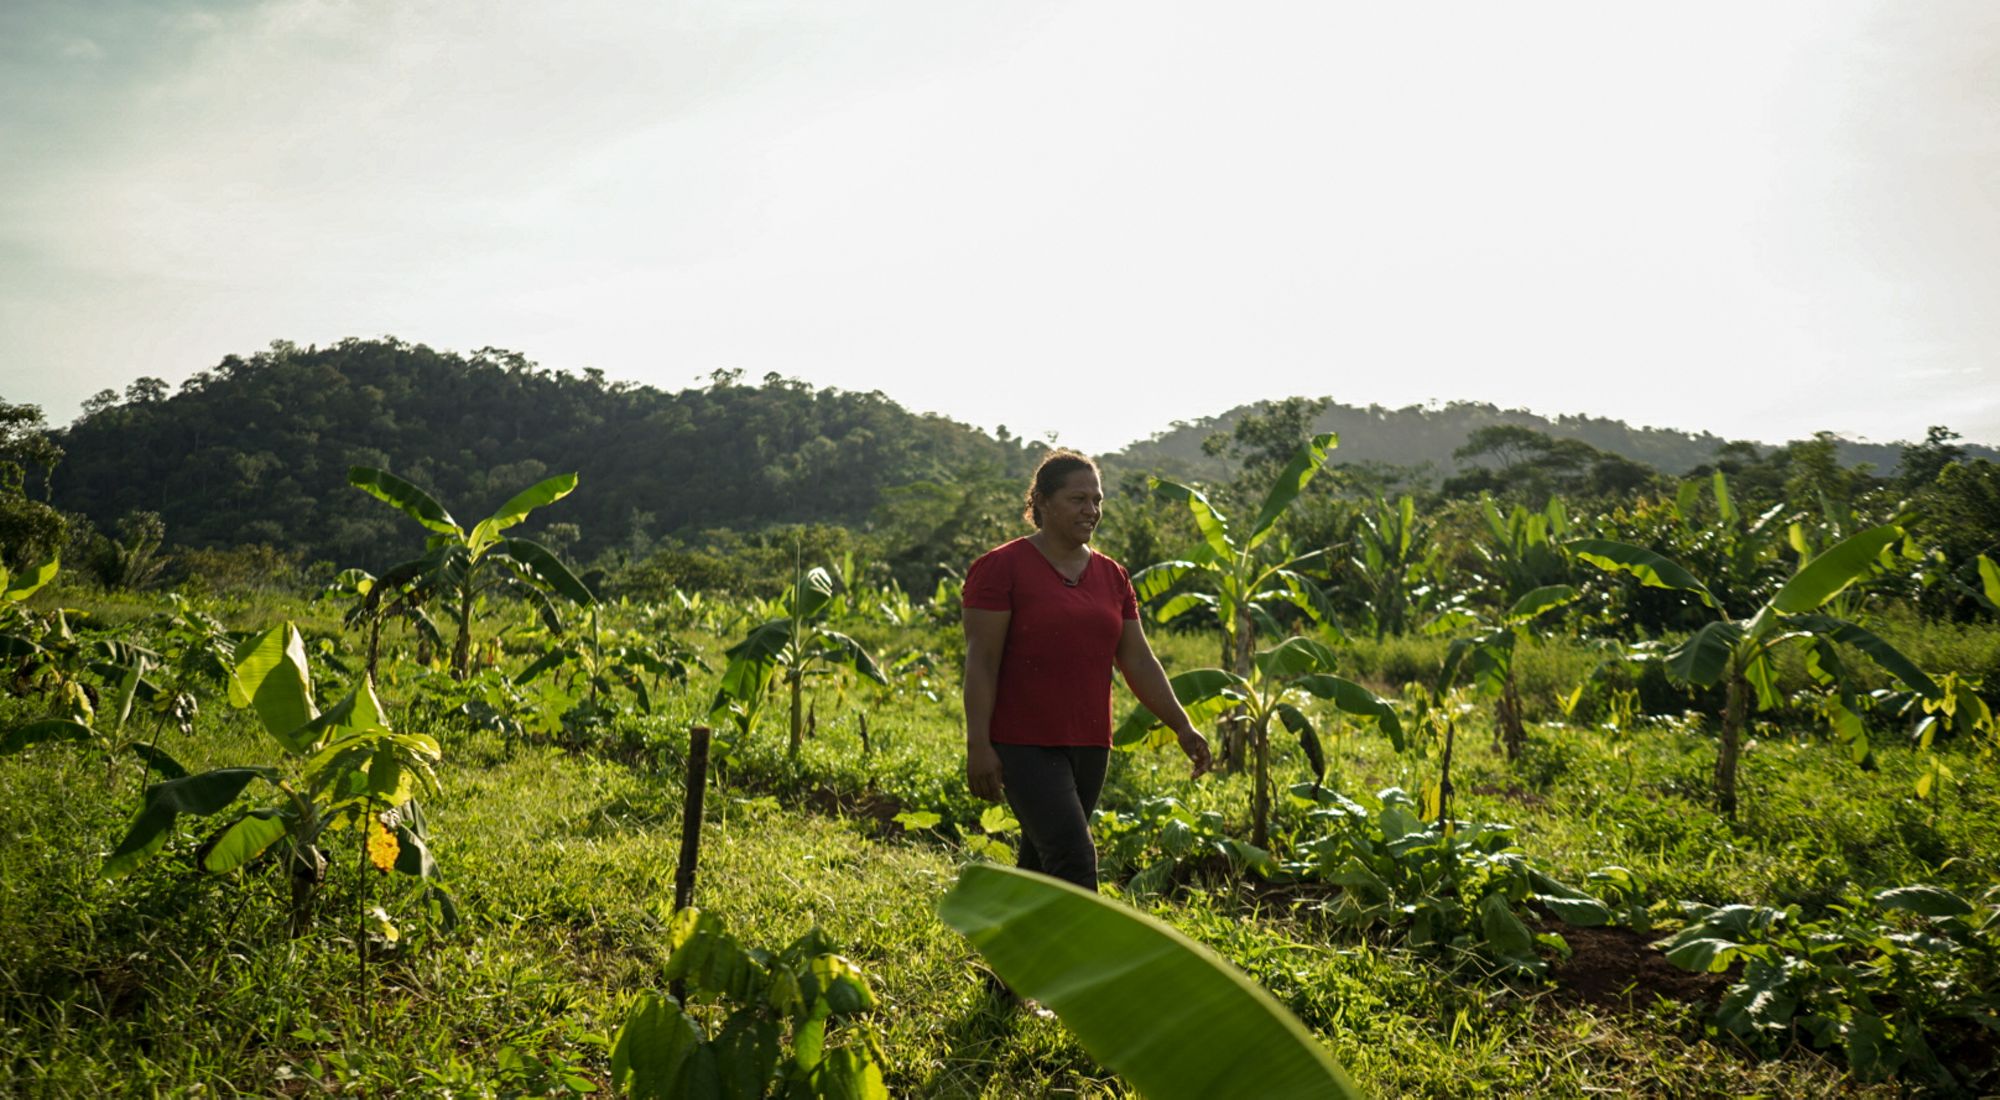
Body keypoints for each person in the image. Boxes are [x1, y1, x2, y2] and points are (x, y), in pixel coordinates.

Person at [961, 449, 1212, 892]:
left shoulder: (1113, 576)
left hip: (1090, 744)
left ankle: (1014, 955)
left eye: (1097, 500)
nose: (1091, 511)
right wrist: (978, 744)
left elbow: (1138, 660)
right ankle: (1086, 961)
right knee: (1074, 859)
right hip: (1023, 742)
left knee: (1042, 865)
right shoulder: (1001, 568)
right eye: (1079, 499)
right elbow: (981, 661)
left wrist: (1182, 726)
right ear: (1041, 502)